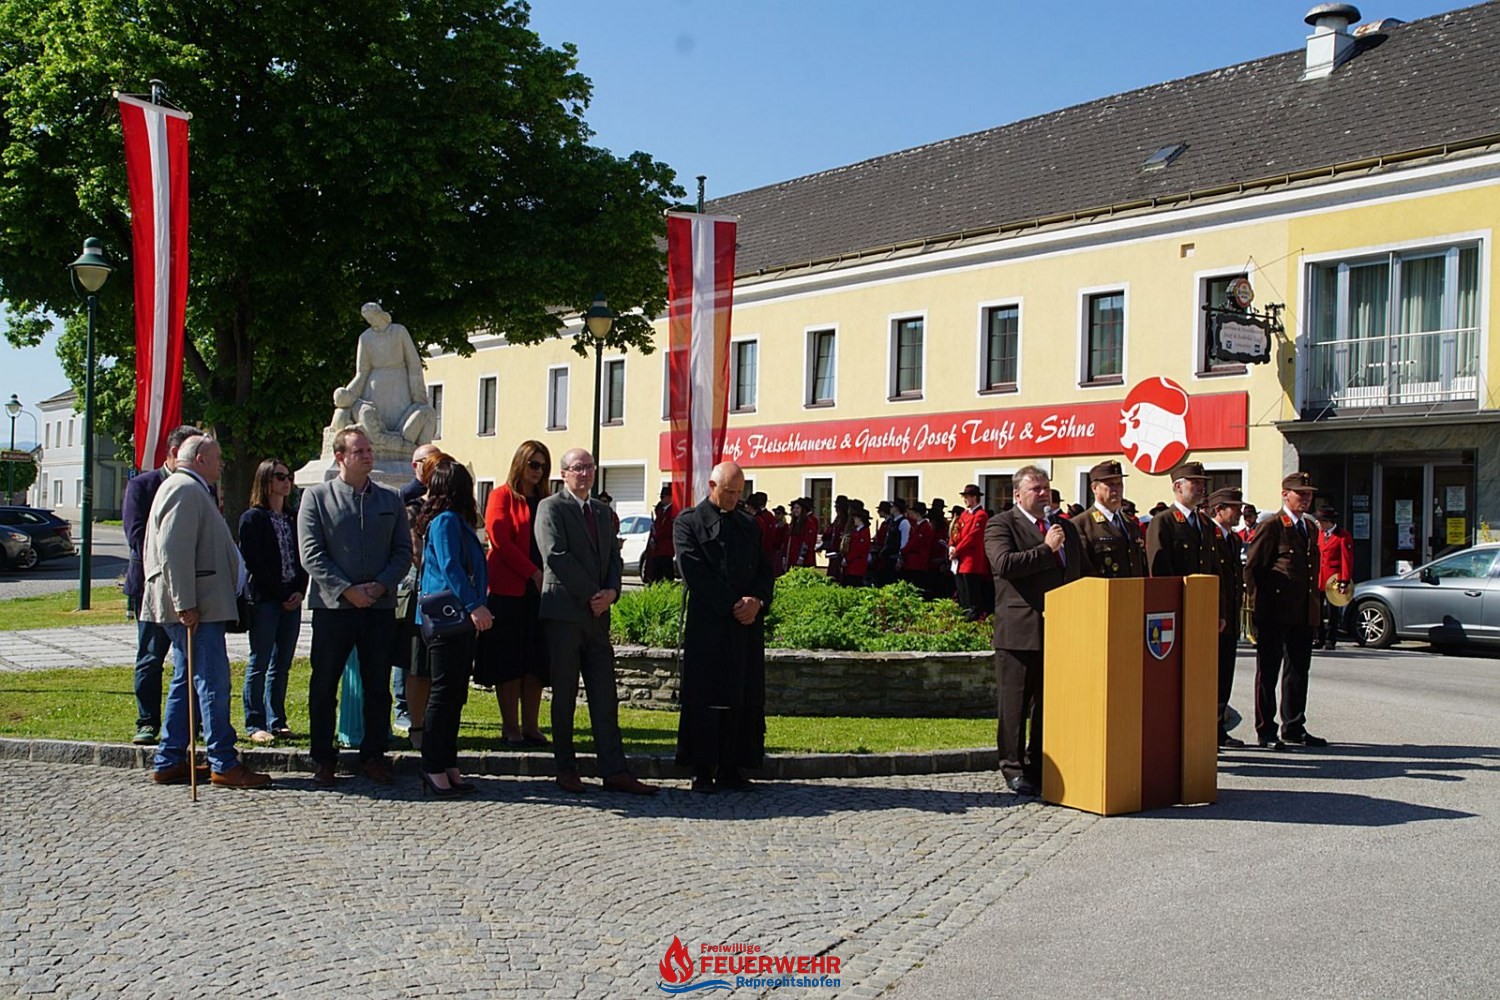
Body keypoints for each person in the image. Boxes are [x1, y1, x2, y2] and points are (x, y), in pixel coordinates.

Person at [142, 435, 270, 789]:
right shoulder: (184, 489)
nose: (221, 464)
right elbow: (174, 550)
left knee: (187, 680)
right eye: (217, 458)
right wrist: (185, 602)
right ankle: (223, 762)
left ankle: (169, 758)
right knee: (212, 680)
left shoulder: (190, 488)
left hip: (200, 603)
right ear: (200, 458)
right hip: (196, 605)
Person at [535, 448, 656, 795]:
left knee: (605, 696)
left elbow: (614, 557)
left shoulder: (603, 512)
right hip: (564, 614)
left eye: (589, 467)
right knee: (564, 696)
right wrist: (592, 593)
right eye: (578, 468)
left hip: (598, 617)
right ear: (564, 473)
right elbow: (555, 555)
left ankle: (614, 770)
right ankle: (566, 768)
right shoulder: (551, 508)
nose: (585, 473)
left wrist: (612, 592)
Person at [297, 427, 413, 787]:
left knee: (377, 686)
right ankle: (323, 757)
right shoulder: (317, 498)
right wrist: (347, 590)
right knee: (324, 684)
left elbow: (403, 552)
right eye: (359, 451)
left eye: (368, 450)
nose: (367, 456)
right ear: (340, 457)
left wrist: (380, 586)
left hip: (378, 608)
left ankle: (373, 755)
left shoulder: (390, 499)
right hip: (334, 609)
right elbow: (311, 553)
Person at [985, 465, 1092, 797]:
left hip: (1060, 628)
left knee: (1049, 704)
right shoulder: (1001, 524)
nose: (1044, 493)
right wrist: (1047, 550)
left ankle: (1040, 764)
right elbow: (1005, 565)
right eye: (1036, 489)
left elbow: (1080, 572)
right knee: (1015, 703)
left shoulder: (1065, 527)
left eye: (1047, 487)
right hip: (1020, 630)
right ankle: (1013, 767)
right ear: (1018, 494)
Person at [673, 461, 774, 793]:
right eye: (729, 492)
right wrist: (733, 603)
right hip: (710, 624)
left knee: (742, 694)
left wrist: (757, 601)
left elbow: (765, 569)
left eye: (738, 493)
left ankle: (733, 767)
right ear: (712, 486)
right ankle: (702, 768)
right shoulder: (688, 523)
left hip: (745, 626)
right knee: (706, 695)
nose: (734, 498)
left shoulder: (749, 525)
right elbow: (694, 571)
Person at [414, 457, 492, 796]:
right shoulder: (446, 521)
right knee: (444, 694)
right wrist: (474, 605)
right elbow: (450, 567)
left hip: (456, 619)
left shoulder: (455, 521)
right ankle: (432, 765)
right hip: (447, 617)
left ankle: (447, 762)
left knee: (455, 694)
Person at [121, 424, 203, 745]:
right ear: (175, 452)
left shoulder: (200, 487)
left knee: (191, 660)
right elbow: (137, 536)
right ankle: (147, 722)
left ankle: (190, 723)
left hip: (190, 588)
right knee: (151, 657)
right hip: (152, 588)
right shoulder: (142, 486)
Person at [1245, 472, 1328, 749]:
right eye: (1300, 493)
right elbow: (1253, 569)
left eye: (1308, 494)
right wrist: (1258, 606)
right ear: (1285, 494)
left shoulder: (1310, 527)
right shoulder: (1271, 526)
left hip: (1302, 612)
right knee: (1268, 672)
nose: (1305, 498)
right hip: (1274, 612)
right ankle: (1265, 730)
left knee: (1298, 671)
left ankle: (1293, 726)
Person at [480, 440, 552, 748]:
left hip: (540, 592)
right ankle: (510, 727)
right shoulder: (502, 496)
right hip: (508, 591)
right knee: (508, 662)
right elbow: (500, 540)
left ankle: (531, 726)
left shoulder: (547, 500)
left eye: (543, 466)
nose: (538, 471)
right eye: (533, 464)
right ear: (520, 463)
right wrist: (532, 573)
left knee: (535, 661)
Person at [237, 458, 308, 745]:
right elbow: (254, 562)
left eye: (288, 477)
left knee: (282, 663)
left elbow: (303, 557)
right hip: (267, 599)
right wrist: (280, 594)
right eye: (280, 477)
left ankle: (277, 719)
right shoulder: (252, 519)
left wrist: (299, 591)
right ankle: (255, 722)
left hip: (292, 597)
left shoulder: (293, 517)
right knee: (260, 661)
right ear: (266, 481)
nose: (286, 482)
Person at [329, 302, 438, 449]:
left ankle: (403, 445)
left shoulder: (399, 331)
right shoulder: (365, 337)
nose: (370, 321)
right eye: (367, 319)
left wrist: (417, 393)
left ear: (379, 314)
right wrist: (348, 394)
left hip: (399, 384)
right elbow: (362, 372)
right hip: (374, 388)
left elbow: (413, 363)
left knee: (401, 424)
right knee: (374, 422)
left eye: (372, 317)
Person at [1206, 486, 1247, 748]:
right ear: (1219, 510)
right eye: (1235, 508)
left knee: (1225, 674)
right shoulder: (1209, 536)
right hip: (1212, 615)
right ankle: (1210, 728)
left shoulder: (1233, 539)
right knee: (1211, 675)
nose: (1240, 512)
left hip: (1230, 615)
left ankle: (1219, 726)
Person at [1145, 461, 1219, 581]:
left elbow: (1215, 567)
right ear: (1178, 487)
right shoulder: (1163, 521)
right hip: (1177, 591)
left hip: (1204, 591)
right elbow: (1160, 571)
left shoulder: (1206, 523)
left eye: (1202, 483)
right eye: (1195, 482)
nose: (1202, 488)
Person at [1075, 460, 1146, 579]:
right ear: (1094, 488)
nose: (1116, 489)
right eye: (1110, 484)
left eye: (1119, 484)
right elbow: (1082, 570)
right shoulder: (1082, 525)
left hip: (1133, 589)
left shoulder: (1130, 524)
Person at [1315, 506, 1354, 650]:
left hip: (1334, 579)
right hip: (1319, 577)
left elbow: (1346, 560)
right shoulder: (1319, 534)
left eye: (1320, 521)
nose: (1318, 524)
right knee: (1317, 610)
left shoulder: (1342, 536)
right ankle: (1318, 637)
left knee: (1333, 611)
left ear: (1327, 522)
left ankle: (1330, 638)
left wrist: (1344, 581)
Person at [950, 484, 991, 619]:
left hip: (971, 559)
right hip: (960, 558)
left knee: (972, 593)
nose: (964, 500)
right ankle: (964, 614)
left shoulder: (981, 515)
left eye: (967, 497)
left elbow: (972, 537)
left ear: (974, 498)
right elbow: (955, 530)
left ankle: (974, 616)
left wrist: (957, 549)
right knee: (962, 591)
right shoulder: (964, 514)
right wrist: (951, 545)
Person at [645, 484, 678, 583]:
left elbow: (668, 528)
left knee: (667, 573)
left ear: (670, 497)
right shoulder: (662, 511)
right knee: (657, 574)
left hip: (665, 548)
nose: (661, 499)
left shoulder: (672, 511)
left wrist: (657, 535)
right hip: (658, 548)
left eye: (663, 496)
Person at [841, 501, 872, 587]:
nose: (854, 520)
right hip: (851, 565)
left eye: (855, 518)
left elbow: (858, 550)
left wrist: (847, 558)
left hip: (857, 565)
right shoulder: (856, 531)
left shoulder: (864, 532)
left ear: (860, 519)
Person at [784, 499, 818, 569]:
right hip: (792, 557)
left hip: (803, 559)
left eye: (797, 508)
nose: (795, 510)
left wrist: (801, 556)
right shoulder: (794, 523)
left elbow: (807, 541)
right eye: (794, 508)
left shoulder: (809, 523)